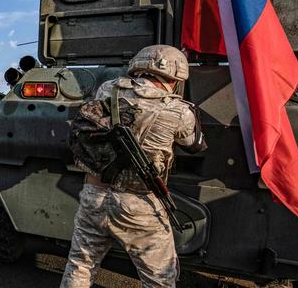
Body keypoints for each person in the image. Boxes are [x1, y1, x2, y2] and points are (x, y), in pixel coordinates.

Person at [61, 45, 206, 288]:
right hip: (140, 204)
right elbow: (195, 145)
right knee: (160, 279)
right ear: (176, 77)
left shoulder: (108, 90)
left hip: (93, 194)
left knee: (81, 265)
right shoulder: (178, 110)